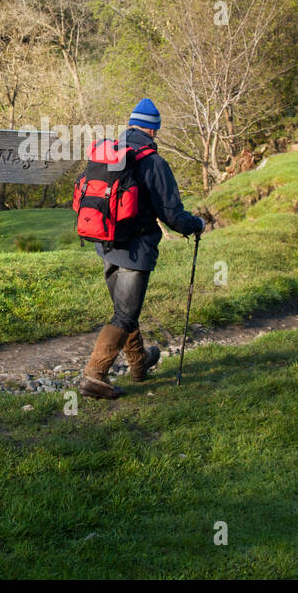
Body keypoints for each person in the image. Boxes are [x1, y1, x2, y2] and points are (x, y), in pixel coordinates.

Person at [81, 98, 207, 400]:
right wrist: (197, 225)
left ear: (130, 125)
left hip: (105, 243)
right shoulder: (154, 162)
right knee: (125, 314)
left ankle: (139, 364)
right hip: (135, 252)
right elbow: (173, 216)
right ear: (154, 131)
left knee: (126, 309)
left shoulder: (108, 153)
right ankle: (94, 376)